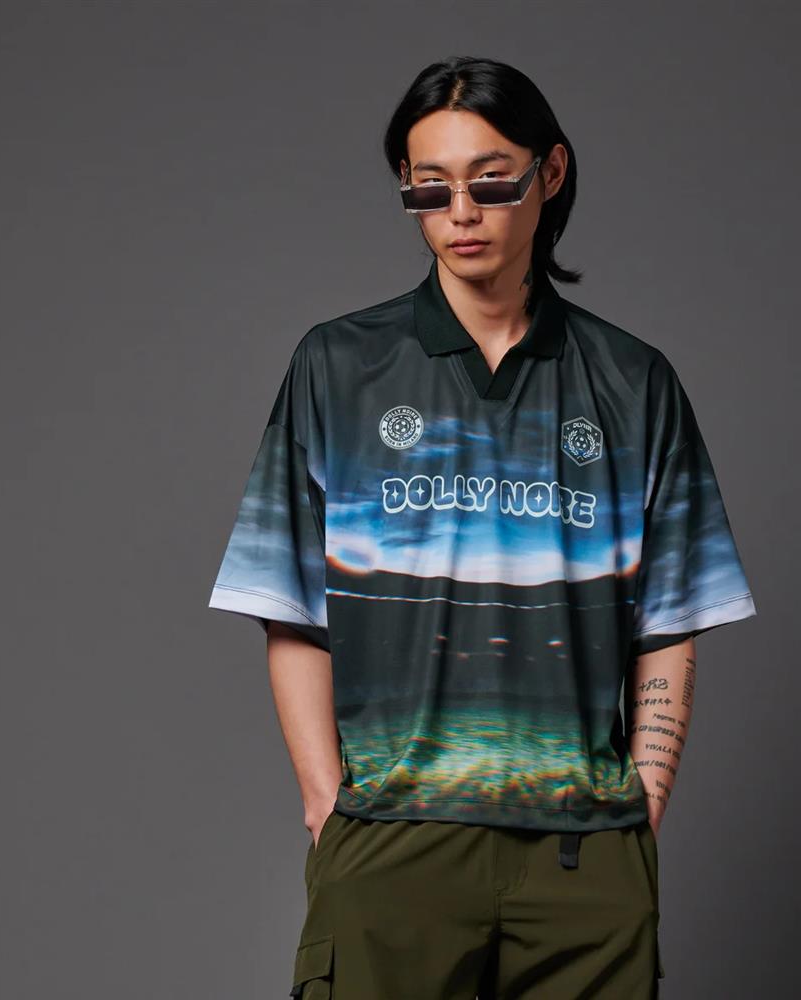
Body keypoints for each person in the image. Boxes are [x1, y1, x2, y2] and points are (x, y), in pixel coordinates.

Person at [208, 55, 756, 1000]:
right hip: (392, 846)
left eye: (491, 180)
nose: (460, 213)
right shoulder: (339, 367)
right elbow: (289, 608)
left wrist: (639, 812)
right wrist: (327, 804)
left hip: (585, 865)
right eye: (430, 188)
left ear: (551, 172)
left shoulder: (635, 384)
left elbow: (670, 625)